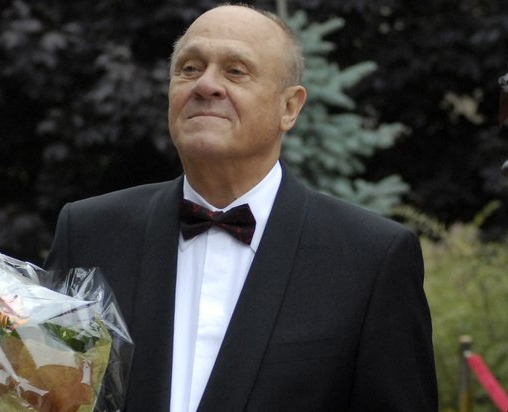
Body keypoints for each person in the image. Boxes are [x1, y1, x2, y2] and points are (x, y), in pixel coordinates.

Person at [45, 4, 438, 411]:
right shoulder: (89, 232)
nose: (206, 85)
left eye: (235, 71)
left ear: (289, 107)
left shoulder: (371, 258)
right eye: (190, 68)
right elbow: (42, 388)